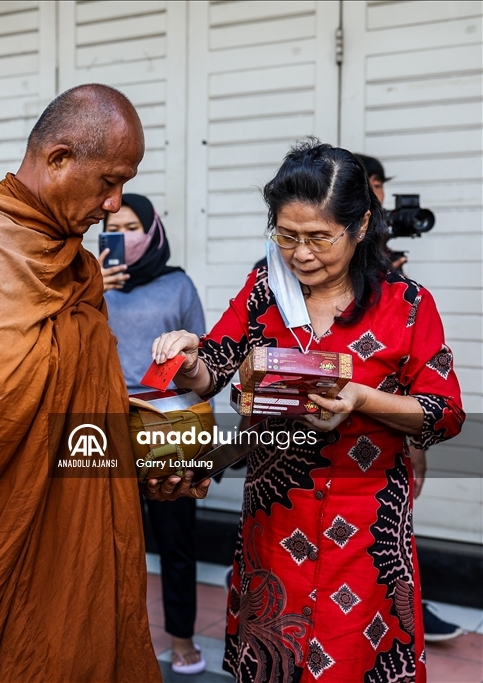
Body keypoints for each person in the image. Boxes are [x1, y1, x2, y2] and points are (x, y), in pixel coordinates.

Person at [0, 83, 210, 683]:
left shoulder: (73, 261)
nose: (113, 202)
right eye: (108, 181)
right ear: (59, 158)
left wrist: (151, 444)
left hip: (77, 518)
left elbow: (78, 386)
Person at [153, 140, 464, 682]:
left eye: (320, 237)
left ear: (361, 226)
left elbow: (444, 414)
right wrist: (186, 360)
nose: (300, 254)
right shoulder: (263, 292)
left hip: (366, 537)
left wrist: (364, 400)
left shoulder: (406, 304)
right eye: (286, 235)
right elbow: (213, 369)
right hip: (276, 529)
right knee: (276, 664)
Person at [354, 153, 464, 643]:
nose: (378, 197)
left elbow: (439, 407)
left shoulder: (407, 296)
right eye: (368, 185)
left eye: (380, 185)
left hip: (378, 473)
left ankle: (409, 605)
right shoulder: (280, 278)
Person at [100, 194, 208, 675]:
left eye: (131, 226)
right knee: (106, 539)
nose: (121, 236)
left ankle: (182, 636)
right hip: (104, 422)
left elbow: (203, 357)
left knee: (175, 536)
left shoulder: (177, 284)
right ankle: (114, 634)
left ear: (153, 231)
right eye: (112, 226)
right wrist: (88, 287)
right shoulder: (87, 283)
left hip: (170, 424)